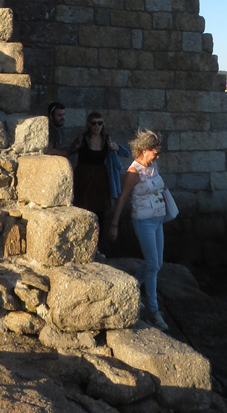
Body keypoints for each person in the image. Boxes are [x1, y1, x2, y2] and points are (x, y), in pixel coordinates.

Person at [108, 128, 168, 331]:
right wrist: (114, 224)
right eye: (155, 152)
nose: (157, 156)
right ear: (143, 150)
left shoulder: (154, 166)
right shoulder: (133, 172)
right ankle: (153, 311)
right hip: (143, 222)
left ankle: (133, 285)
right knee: (152, 263)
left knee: (157, 263)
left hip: (158, 219)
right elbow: (123, 197)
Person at [69, 112, 123, 254]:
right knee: (83, 210)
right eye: (94, 123)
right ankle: (81, 246)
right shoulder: (83, 139)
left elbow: (124, 152)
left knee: (101, 213)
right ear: (88, 124)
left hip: (100, 179)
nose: (97, 126)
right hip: (84, 178)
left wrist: (116, 147)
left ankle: (96, 247)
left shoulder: (106, 139)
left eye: (100, 123)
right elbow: (69, 151)